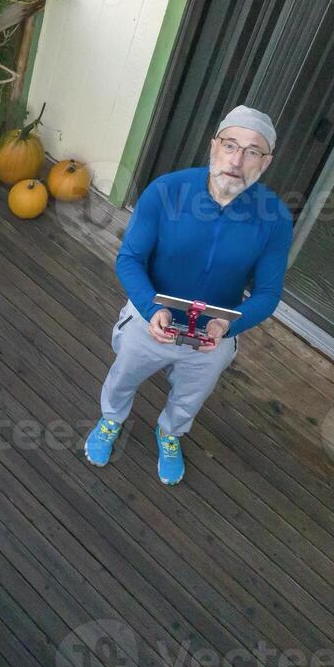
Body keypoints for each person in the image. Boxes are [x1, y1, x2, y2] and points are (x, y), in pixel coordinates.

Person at [84, 105, 294, 485]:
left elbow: (267, 292)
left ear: (265, 162)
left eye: (252, 152)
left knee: (191, 395)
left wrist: (228, 325)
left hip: (213, 336)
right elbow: (130, 258)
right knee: (123, 376)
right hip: (151, 317)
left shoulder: (274, 218)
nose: (237, 160)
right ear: (214, 146)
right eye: (231, 145)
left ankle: (170, 432)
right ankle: (111, 419)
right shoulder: (167, 191)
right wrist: (151, 308)